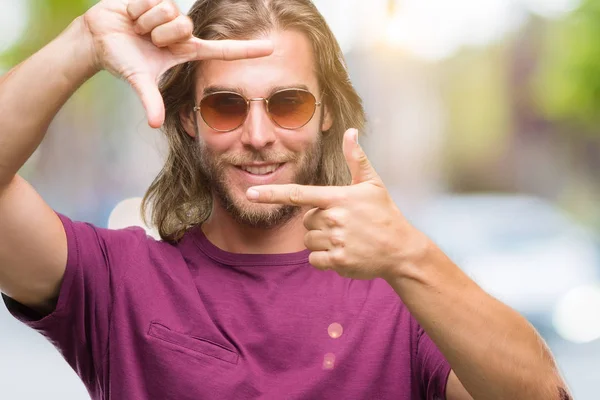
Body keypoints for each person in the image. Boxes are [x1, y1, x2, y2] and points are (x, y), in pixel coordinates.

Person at [0, 0, 571, 399]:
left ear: (325, 113)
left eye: (288, 103)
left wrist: (409, 256)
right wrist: (84, 43)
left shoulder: (405, 296)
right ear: (189, 121)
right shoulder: (116, 281)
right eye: (226, 105)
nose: (257, 135)